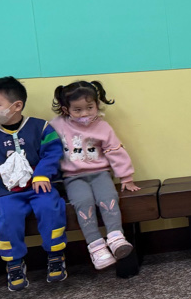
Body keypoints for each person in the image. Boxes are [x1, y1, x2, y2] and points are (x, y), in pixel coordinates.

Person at [50, 81, 139, 271]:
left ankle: (116, 238)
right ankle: (96, 247)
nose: (85, 114)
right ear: (66, 109)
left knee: (108, 197)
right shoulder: (56, 125)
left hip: (100, 174)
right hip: (73, 177)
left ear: (97, 105)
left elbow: (115, 151)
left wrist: (126, 177)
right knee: (83, 202)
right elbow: (47, 149)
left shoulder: (102, 126)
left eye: (89, 108)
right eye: (78, 110)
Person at [0, 76, 67, 291]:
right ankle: (14, 263)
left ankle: (56, 254)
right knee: (8, 218)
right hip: (6, 192)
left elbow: (53, 153)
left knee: (50, 208)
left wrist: (42, 174)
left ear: (16, 106)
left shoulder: (41, 127)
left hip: (40, 187)